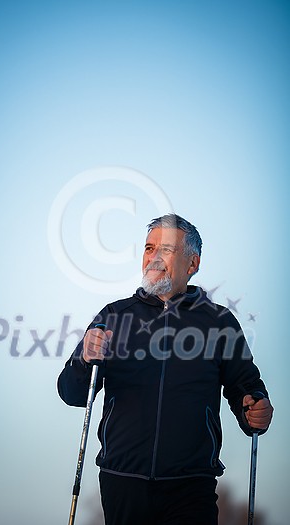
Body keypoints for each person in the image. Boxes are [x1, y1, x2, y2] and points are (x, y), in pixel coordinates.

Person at [57, 213, 273, 525]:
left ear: (192, 263)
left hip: (191, 484)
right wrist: (84, 360)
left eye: (167, 250)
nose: (154, 257)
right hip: (123, 480)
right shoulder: (114, 316)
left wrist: (254, 408)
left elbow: (246, 388)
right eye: (148, 248)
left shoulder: (219, 322)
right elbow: (72, 392)